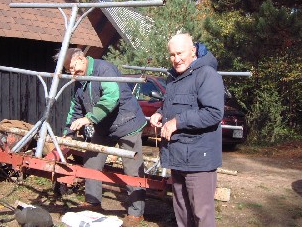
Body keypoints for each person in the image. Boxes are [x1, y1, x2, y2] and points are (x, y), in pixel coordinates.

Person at [62, 48, 147, 227]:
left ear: (81, 59)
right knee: (91, 162)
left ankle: (136, 213)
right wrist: (68, 133)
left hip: (127, 123)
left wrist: (89, 119)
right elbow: (75, 107)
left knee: (132, 168)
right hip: (104, 127)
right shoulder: (80, 80)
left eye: (72, 68)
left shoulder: (104, 69)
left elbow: (111, 97)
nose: (71, 73)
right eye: (68, 70)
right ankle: (93, 203)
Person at [150, 33, 224, 227]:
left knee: (201, 214)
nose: (177, 59)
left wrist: (177, 122)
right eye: (172, 55)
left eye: (180, 53)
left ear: (193, 51)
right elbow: (176, 104)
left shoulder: (207, 74)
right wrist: (160, 113)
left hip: (199, 159)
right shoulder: (174, 78)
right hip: (177, 156)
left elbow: (213, 113)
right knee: (182, 211)